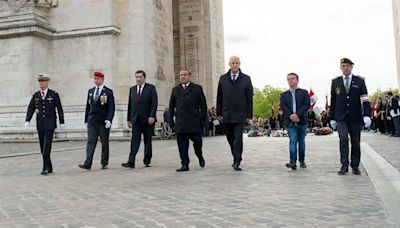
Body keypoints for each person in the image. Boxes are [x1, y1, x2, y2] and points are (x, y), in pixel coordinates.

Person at [329, 58, 371, 175]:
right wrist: (331, 117)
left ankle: (355, 165)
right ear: (340, 67)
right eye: (343, 66)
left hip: (355, 116)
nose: (345, 68)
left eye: (347, 66)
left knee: (355, 141)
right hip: (340, 116)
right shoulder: (336, 82)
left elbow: (365, 99)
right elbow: (333, 100)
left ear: (352, 67)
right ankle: (344, 165)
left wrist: (367, 115)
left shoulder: (359, 81)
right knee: (343, 139)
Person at [216, 56, 253, 171]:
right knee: (230, 138)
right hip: (226, 114)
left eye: (237, 63)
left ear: (239, 64)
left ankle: (237, 160)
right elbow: (219, 97)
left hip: (240, 114)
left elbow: (249, 98)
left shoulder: (246, 79)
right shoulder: (223, 78)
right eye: (233, 63)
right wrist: (219, 113)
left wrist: (249, 115)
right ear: (229, 64)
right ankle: (235, 155)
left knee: (238, 138)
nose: (235, 65)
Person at [25, 73, 65, 175]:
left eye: (43, 81)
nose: (41, 83)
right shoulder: (36, 95)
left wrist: (62, 122)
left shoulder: (53, 94)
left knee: (47, 147)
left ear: (47, 82)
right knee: (42, 147)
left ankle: (45, 168)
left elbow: (59, 109)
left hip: (50, 124)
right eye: (40, 81)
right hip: (40, 124)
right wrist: (27, 120)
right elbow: (31, 108)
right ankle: (50, 166)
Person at [168, 69, 207, 172]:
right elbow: (171, 106)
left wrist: (203, 121)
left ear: (190, 76)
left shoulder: (197, 88)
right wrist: (170, 119)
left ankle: (200, 156)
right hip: (181, 123)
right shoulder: (175, 90)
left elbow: (203, 106)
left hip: (194, 122)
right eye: (180, 75)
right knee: (182, 146)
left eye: (184, 75)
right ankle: (184, 164)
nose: (182, 77)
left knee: (198, 144)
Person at [79, 71, 115, 170]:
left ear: (103, 80)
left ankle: (104, 162)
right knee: (91, 142)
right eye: (95, 78)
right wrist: (86, 119)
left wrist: (109, 119)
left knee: (104, 142)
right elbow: (88, 106)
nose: (96, 80)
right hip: (92, 121)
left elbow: (111, 107)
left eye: (98, 78)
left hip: (103, 121)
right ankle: (88, 163)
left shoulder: (108, 91)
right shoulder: (91, 91)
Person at [122, 70, 158, 169]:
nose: (138, 79)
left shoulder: (151, 88)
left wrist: (152, 116)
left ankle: (147, 160)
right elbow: (130, 105)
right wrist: (129, 119)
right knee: (134, 140)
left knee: (147, 140)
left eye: (140, 77)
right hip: (136, 120)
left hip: (147, 120)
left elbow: (154, 104)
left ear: (144, 78)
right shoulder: (132, 89)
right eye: (136, 77)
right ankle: (131, 161)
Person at [279, 72, 310, 170]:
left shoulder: (304, 92)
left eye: (293, 78)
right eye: (289, 79)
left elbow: (306, 105)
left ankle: (302, 160)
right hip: (290, 122)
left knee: (301, 142)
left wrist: (297, 114)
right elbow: (283, 106)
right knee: (293, 140)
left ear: (297, 80)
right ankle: (292, 161)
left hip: (302, 121)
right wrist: (291, 115)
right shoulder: (284, 95)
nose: (291, 80)